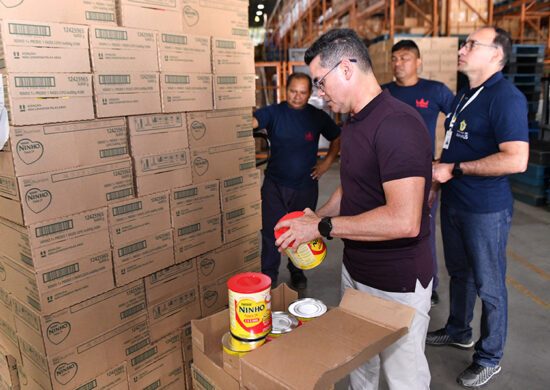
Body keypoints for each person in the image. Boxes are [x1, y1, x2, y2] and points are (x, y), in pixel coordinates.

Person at [275, 29, 433, 390]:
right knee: (360, 369)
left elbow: (404, 220)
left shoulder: (397, 125)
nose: (319, 92)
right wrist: (316, 216)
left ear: (346, 69)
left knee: (402, 379)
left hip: (397, 285)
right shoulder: (357, 121)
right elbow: (355, 185)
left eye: (320, 82)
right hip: (357, 273)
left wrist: (324, 227)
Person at [427, 27, 529, 388]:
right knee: (460, 273)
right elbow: (458, 147)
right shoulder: (466, 95)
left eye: (471, 44)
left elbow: (516, 160)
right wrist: (441, 177)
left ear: (496, 55)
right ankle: (458, 329)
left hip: (484, 209)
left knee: (490, 285)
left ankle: (490, 356)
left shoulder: (505, 98)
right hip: (456, 202)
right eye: (464, 42)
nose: (462, 48)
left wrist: (453, 169)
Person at [382, 39, 455, 306]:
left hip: (424, 176)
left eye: (405, 58)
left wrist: (442, 163)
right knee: (387, 227)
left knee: (423, 231)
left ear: (418, 61)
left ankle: (428, 282)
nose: (398, 63)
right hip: (386, 175)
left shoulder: (435, 91)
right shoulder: (383, 93)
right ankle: (391, 279)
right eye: (394, 58)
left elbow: (457, 123)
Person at [253, 72, 341, 289]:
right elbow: (254, 121)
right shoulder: (274, 112)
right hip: (275, 185)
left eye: (302, 93)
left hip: (305, 187)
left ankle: (297, 271)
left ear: (309, 93)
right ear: (286, 90)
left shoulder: (316, 116)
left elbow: (337, 137)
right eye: (293, 91)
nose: (297, 96)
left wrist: (326, 163)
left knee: (301, 231)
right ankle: (269, 275)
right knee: (270, 231)